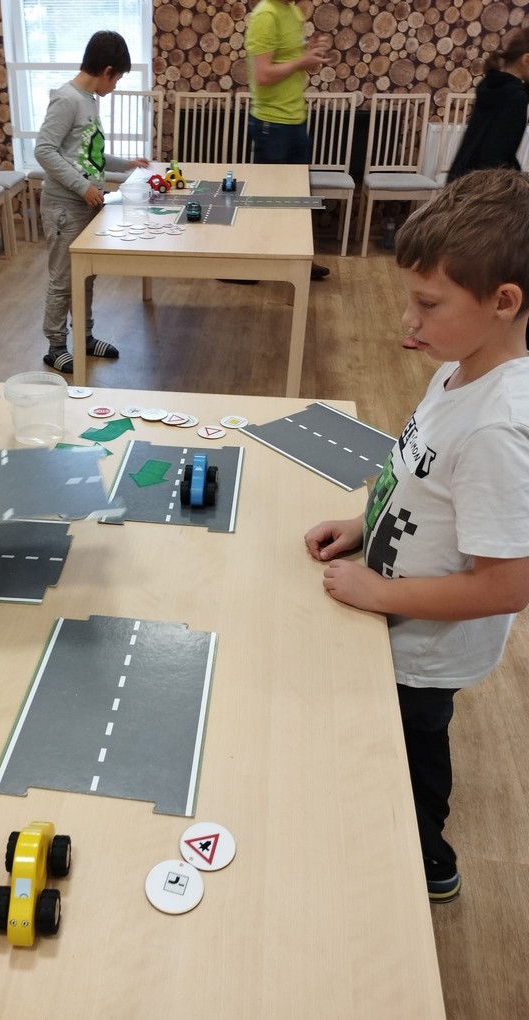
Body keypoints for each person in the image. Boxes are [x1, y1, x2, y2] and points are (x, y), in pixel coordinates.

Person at [303, 168, 529, 904]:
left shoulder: (499, 429)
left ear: (503, 302)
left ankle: (428, 859)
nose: (408, 319)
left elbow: (507, 585)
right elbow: (411, 470)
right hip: (391, 614)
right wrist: (360, 523)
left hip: (424, 650)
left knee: (410, 751)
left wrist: (379, 591)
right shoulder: (459, 371)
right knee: (381, 740)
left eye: (428, 303)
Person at [35, 30, 149, 375]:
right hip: (63, 208)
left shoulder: (89, 100)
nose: (115, 86)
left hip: (84, 206)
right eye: (117, 79)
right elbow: (44, 150)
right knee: (62, 279)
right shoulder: (67, 99)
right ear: (107, 70)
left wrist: (127, 164)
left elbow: (88, 155)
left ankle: (84, 337)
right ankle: (56, 347)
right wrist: (82, 187)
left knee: (84, 275)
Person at [245, 0, 331, 281]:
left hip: (295, 119)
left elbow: (300, 67)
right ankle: (248, 265)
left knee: (299, 200)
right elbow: (263, 74)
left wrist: (310, 55)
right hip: (272, 123)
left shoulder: (292, 11)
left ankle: (300, 260)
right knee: (267, 200)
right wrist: (302, 61)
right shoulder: (265, 15)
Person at [448, 28, 529, 183]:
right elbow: (500, 153)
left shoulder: (490, 84)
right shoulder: (516, 97)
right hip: (488, 185)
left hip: (461, 176)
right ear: (526, 59)